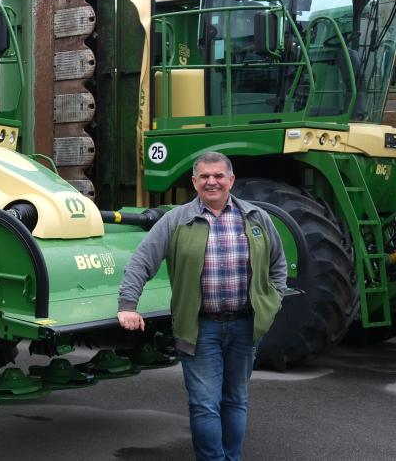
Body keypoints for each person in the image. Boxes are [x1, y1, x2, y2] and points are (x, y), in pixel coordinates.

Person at [117, 151, 287, 461]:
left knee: (235, 399)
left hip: (244, 325)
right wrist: (128, 304)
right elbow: (142, 261)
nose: (212, 182)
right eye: (205, 176)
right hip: (199, 327)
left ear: (231, 180)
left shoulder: (256, 217)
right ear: (195, 182)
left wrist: (270, 303)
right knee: (205, 403)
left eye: (219, 175)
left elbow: (279, 264)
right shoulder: (176, 220)